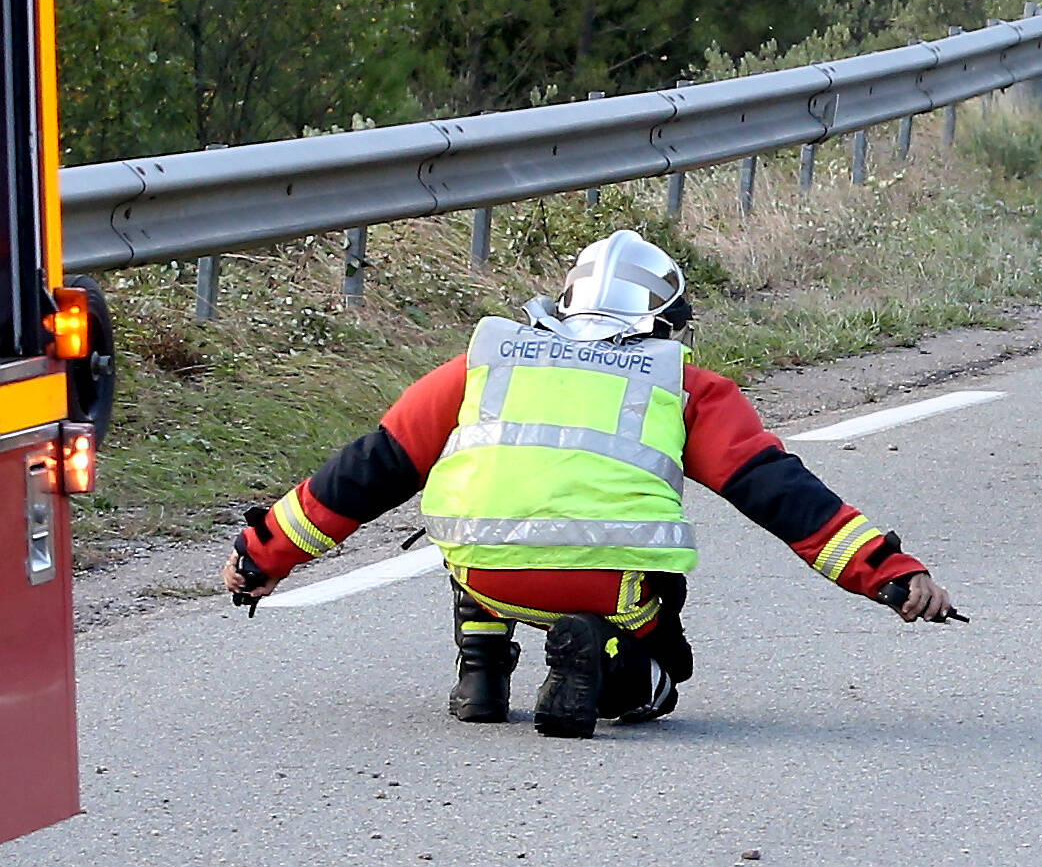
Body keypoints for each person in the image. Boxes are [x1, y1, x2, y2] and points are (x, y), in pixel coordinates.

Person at [222, 230, 959, 738]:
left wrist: (260, 557)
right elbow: (782, 495)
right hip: (612, 586)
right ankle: (605, 656)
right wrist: (889, 574)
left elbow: (368, 469)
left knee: (478, 521)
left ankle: (481, 673)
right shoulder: (684, 384)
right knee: (657, 677)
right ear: (666, 321)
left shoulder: (486, 360)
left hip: (488, 570)